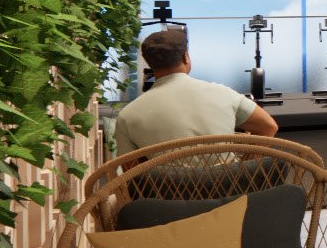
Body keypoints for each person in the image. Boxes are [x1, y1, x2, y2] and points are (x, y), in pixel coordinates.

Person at [114, 28, 280, 158]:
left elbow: (131, 174)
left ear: (149, 64)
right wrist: (244, 170)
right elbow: (268, 127)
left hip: (165, 200)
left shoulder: (128, 115)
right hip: (230, 195)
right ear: (186, 57)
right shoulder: (224, 94)